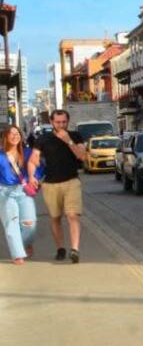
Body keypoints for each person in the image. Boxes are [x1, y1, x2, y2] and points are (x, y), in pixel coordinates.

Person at [30, 109, 87, 263]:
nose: (61, 125)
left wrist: (69, 141)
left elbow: (82, 156)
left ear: (68, 121)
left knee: (73, 215)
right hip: (50, 184)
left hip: (71, 181)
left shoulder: (75, 136)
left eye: (64, 122)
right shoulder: (43, 139)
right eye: (58, 122)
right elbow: (34, 159)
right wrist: (32, 175)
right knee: (55, 218)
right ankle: (60, 248)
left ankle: (74, 250)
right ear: (51, 122)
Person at [0, 124, 41, 264]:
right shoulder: (0, 154)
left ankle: (24, 243)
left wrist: (34, 178)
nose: (15, 136)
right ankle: (18, 254)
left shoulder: (28, 152)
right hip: (4, 192)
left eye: (17, 133)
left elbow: (38, 166)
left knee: (30, 224)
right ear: (5, 137)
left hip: (23, 191)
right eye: (11, 133)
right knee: (11, 223)